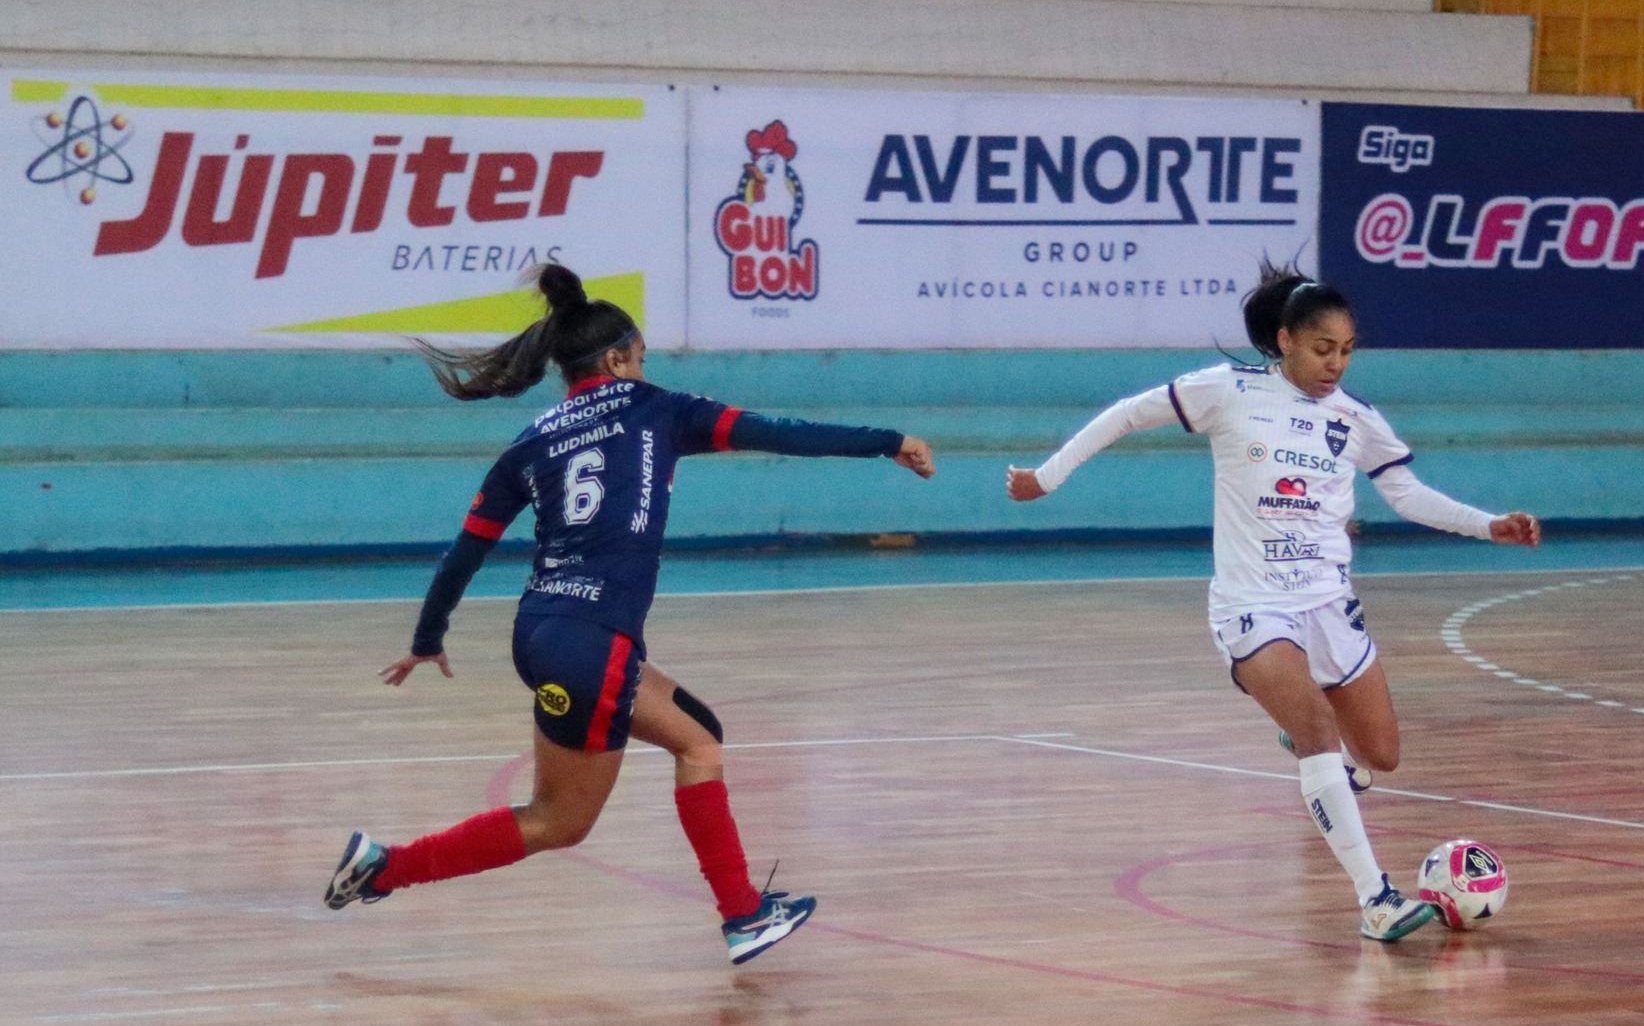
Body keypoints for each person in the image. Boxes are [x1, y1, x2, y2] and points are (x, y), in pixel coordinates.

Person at [326, 265, 936, 964]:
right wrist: (889, 440)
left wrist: (428, 637)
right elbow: (781, 432)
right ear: (617, 360)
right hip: (594, 642)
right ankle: (388, 866)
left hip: (542, 632)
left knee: (699, 738)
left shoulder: (532, 440)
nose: (645, 369)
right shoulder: (658, 409)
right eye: (641, 357)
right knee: (559, 820)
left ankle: (744, 913)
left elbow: (465, 551)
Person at [1007, 263, 1540, 943]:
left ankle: (1307, 740)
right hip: (1252, 605)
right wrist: (1045, 478)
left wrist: (1486, 523)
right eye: (1323, 349)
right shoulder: (1227, 392)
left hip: (1328, 604)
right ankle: (1376, 900)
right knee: (1319, 731)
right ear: (1285, 340)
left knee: (1380, 756)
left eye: (1347, 351)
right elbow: (1127, 414)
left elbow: (1405, 492)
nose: (1336, 365)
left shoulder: (1355, 419)